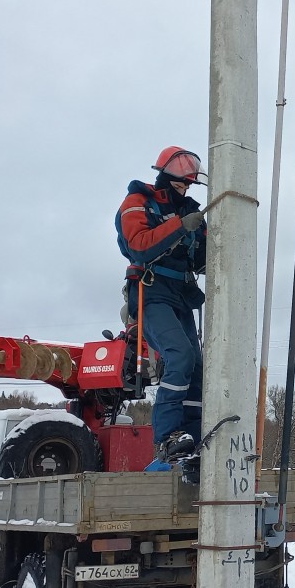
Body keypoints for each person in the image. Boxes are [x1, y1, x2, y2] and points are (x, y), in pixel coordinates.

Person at [116, 146, 208, 460]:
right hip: (150, 293)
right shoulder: (138, 202)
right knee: (180, 356)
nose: (185, 189)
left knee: (197, 367)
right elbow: (139, 246)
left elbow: (200, 260)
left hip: (181, 296)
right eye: (181, 182)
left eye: (189, 184)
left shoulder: (190, 211)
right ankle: (168, 436)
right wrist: (181, 226)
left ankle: (194, 433)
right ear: (165, 176)